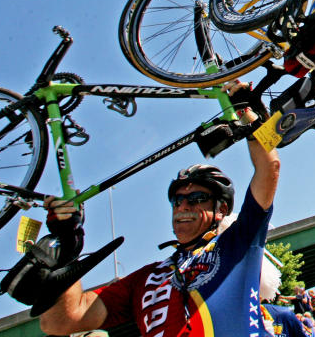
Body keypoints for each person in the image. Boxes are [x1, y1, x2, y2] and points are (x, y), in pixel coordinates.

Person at [37, 111, 281, 337]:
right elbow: (61, 322)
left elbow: (269, 167)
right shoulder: (145, 278)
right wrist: (67, 244)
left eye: (197, 199)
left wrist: (244, 112)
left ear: (222, 210)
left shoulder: (238, 243)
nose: (183, 206)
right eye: (178, 200)